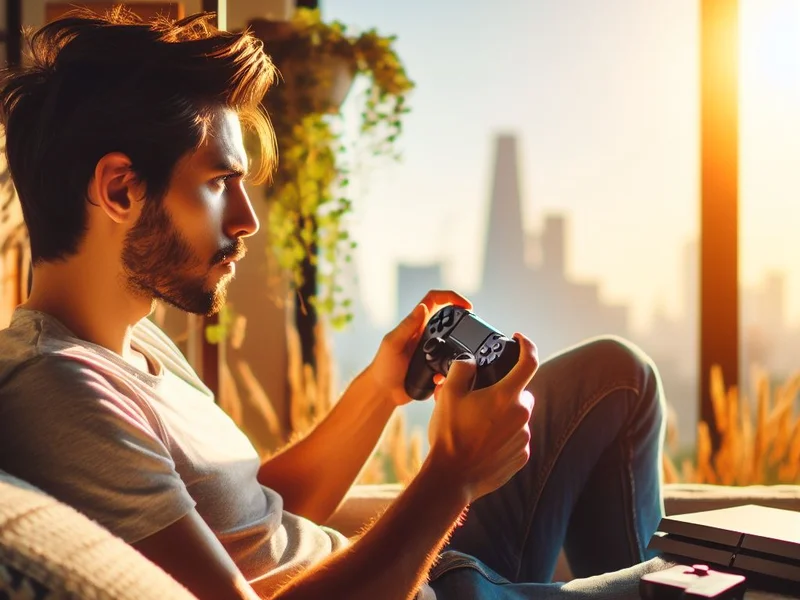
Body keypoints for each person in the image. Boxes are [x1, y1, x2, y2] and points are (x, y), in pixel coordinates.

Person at [0, 8, 672, 600]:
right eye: (219, 183)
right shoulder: (61, 391)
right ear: (120, 191)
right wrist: (450, 477)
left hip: (428, 568)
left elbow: (260, 511)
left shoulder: (135, 340)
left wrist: (380, 390)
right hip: (421, 584)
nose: (246, 219)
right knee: (705, 585)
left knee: (618, 378)